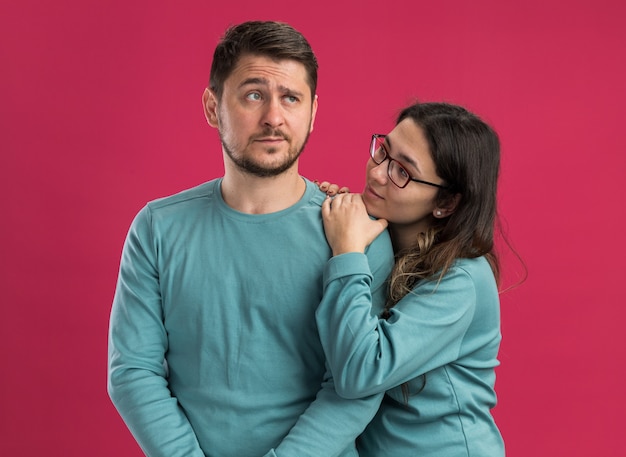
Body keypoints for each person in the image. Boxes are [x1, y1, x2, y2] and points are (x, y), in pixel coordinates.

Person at [107, 21, 394, 457]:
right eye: (253, 94)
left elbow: (355, 386)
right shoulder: (156, 228)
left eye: (291, 98)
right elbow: (133, 371)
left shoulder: (357, 234)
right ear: (212, 106)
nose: (273, 118)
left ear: (313, 112)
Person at [316, 101, 508, 456]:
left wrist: (347, 252)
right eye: (383, 151)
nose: (377, 173)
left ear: (446, 203)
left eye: (402, 172)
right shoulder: (385, 242)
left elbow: (361, 371)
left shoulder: (463, 279)